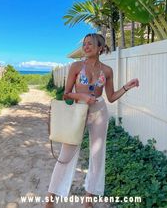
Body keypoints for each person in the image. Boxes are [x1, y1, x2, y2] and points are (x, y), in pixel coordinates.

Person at [45, 33, 139, 208]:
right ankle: (51, 198)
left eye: (90, 44)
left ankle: (89, 198)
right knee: (67, 154)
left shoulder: (107, 71)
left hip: (99, 111)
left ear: (100, 48)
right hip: (78, 110)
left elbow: (111, 97)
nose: (86, 47)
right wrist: (81, 95)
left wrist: (127, 86)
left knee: (97, 155)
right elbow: (66, 94)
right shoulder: (76, 66)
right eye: (84, 44)